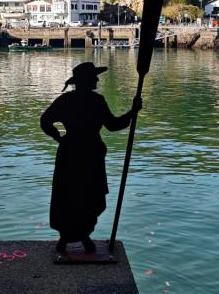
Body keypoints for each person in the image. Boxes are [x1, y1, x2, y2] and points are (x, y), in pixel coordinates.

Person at [40, 62, 142, 253]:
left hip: (70, 151)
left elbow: (44, 121)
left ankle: (68, 237)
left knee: (68, 194)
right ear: (86, 80)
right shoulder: (96, 101)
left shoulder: (65, 101)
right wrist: (132, 112)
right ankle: (81, 235)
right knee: (88, 194)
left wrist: (58, 137)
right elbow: (113, 125)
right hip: (90, 152)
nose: (96, 79)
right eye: (94, 77)